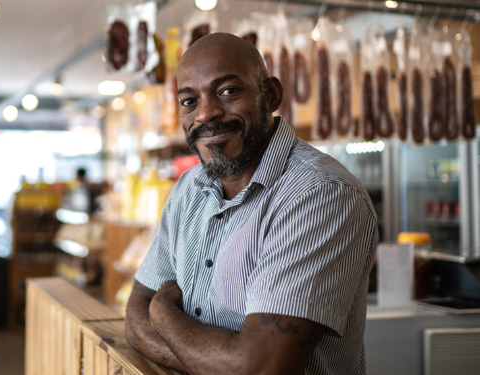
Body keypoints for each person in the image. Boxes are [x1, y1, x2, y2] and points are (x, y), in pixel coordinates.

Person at [124, 33, 377, 375]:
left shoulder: (320, 195)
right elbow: (133, 318)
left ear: (270, 95)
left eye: (227, 91)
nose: (206, 114)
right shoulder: (188, 188)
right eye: (189, 101)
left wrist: (163, 315)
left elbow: (259, 368)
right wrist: (210, 361)